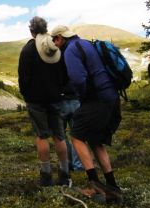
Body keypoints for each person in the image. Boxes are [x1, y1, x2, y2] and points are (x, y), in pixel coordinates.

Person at [51, 25, 123, 203]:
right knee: (96, 141)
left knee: (76, 136)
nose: (54, 43)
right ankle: (112, 186)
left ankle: (94, 183)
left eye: (54, 40)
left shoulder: (70, 50)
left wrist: (83, 98)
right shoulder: (85, 44)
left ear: (60, 38)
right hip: (112, 98)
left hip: (96, 100)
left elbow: (78, 78)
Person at [18, 16, 71, 187]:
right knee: (60, 136)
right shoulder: (55, 47)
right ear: (45, 28)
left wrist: (27, 96)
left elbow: (23, 78)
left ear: (31, 31)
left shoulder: (28, 50)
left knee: (42, 136)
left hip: (35, 100)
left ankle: (46, 176)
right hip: (56, 98)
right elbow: (64, 74)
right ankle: (64, 174)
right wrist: (59, 90)